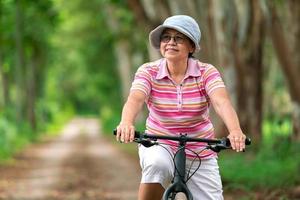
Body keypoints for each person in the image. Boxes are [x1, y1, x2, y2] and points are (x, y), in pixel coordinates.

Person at [115, 15, 246, 200]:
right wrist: (126, 122)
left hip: (200, 147)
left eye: (179, 38)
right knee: (157, 165)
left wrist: (235, 131)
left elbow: (221, 102)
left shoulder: (206, 72)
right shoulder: (148, 71)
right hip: (159, 142)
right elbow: (135, 99)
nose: (171, 43)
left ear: (192, 46)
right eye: (166, 38)